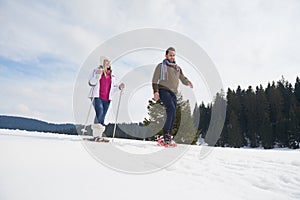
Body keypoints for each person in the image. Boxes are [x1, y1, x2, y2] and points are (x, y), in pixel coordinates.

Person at [152, 47, 193, 144]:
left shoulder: (177, 68)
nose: (172, 57)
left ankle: (168, 135)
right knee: (170, 108)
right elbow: (155, 80)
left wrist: (188, 82)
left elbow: (182, 78)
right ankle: (165, 134)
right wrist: (155, 91)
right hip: (163, 90)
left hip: (173, 92)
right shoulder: (161, 66)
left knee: (173, 112)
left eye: (173, 55)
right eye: (170, 55)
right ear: (166, 55)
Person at [88, 56, 124, 141]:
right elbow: (91, 83)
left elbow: (113, 88)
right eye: (106, 61)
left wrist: (119, 87)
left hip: (107, 99)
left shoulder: (112, 76)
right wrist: (97, 76)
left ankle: (98, 135)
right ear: (102, 63)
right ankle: (96, 135)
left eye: (109, 61)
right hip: (97, 96)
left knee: (102, 116)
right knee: (99, 112)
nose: (108, 63)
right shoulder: (96, 71)